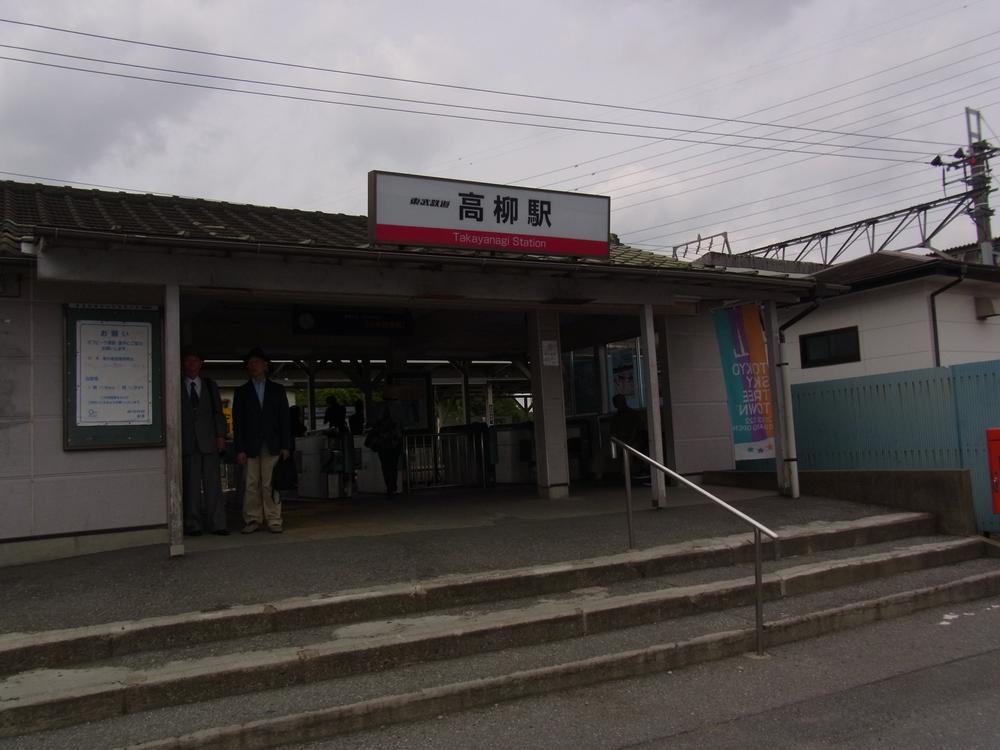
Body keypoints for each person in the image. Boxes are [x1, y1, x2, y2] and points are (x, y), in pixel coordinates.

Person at [232, 347, 291, 534]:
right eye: (250, 363)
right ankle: (253, 519)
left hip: (272, 443)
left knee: (270, 483)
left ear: (265, 365)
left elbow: (285, 419)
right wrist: (239, 449)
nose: (252, 366)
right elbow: (238, 423)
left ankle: (274, 519)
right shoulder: (241, 392)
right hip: (250, 445)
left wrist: (286, 445)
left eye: (256, 362)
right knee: (251, 483)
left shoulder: (277, 390)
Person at [180, 347, 229, 536]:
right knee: (191, 486)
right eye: (188, 360)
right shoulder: (176, 384)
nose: (191, 364)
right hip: (187, 442)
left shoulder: (209, 385)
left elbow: (218, 413)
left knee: (213, 484)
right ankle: (193, 524)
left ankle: (218, 523)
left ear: (201, 364)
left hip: (209, 441)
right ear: (183, 364)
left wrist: (221, 436)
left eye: (195, 360)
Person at [367, 387, 404, 500]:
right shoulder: (399, 408)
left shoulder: (379, 407)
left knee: (385, 466)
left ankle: (390, 487)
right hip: (395, 441)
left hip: (383, 441)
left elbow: (373, 423)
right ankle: (393, 486)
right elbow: (401, 425)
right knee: (393, 465)